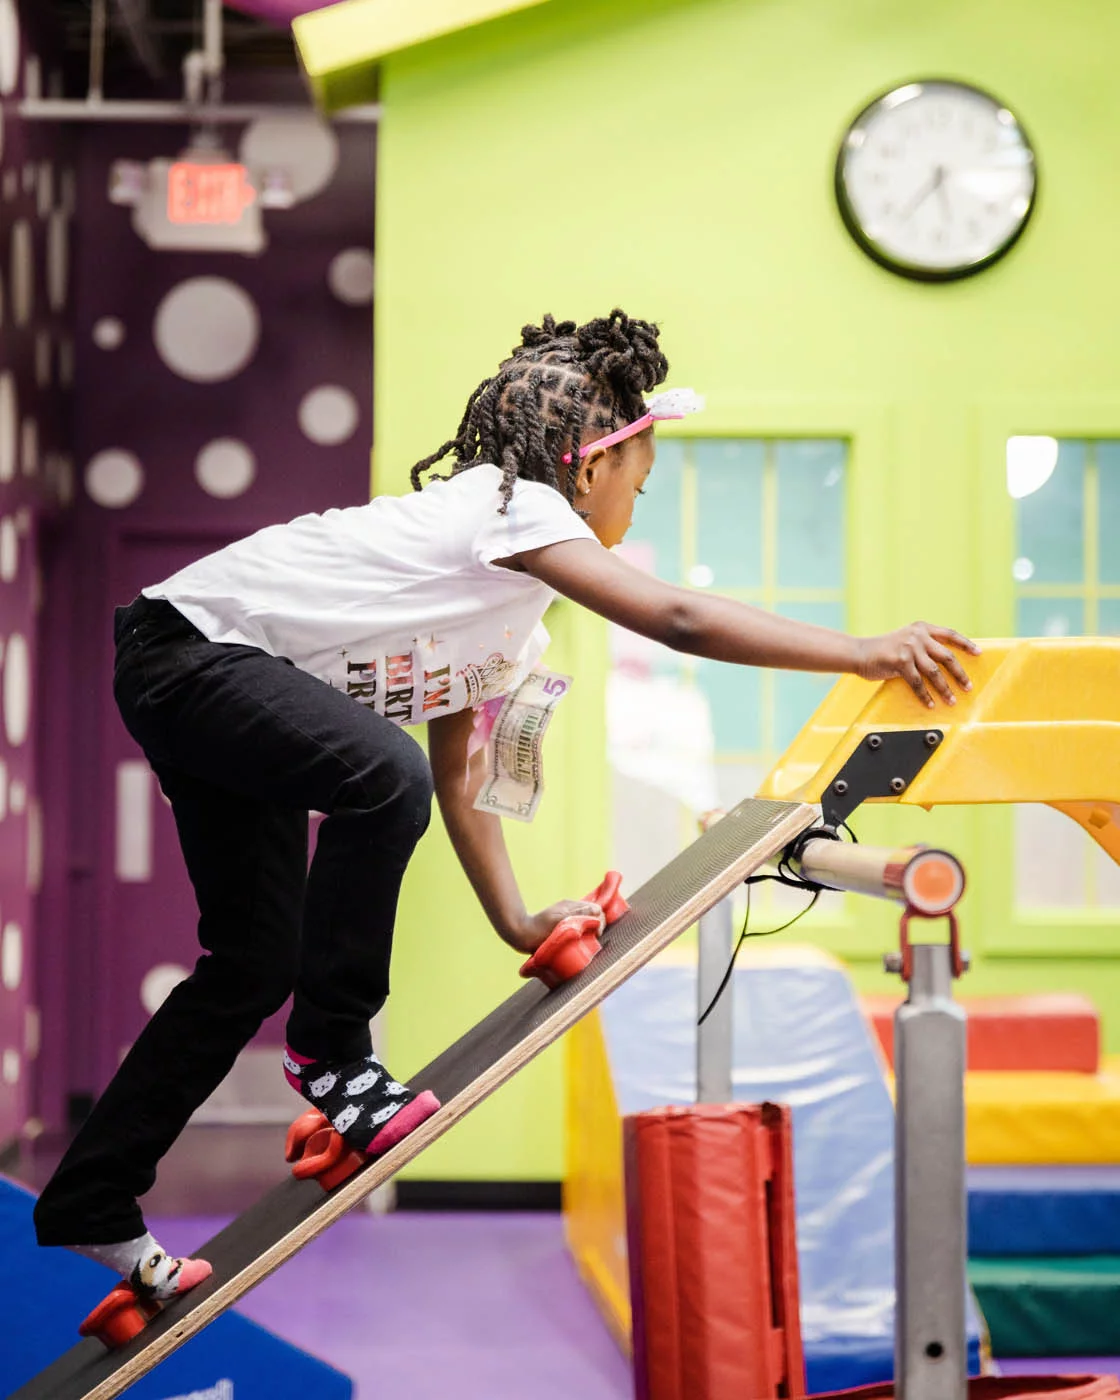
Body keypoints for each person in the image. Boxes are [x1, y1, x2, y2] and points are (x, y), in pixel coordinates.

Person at [33, 309, 977, 1308]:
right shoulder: (509, 504)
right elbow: (678, 616)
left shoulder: (510, 637)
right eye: (636, 480)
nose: (636, 501)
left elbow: (464, 782)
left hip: (215, 684)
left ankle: (94, 1198)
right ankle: (335, 1057)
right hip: (189, 649)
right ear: (583, 468)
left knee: (254, 957)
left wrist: (518, 919)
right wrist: (862, 649)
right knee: (374, 774)